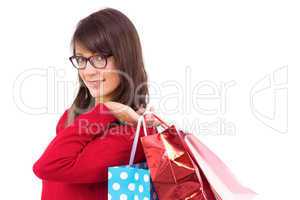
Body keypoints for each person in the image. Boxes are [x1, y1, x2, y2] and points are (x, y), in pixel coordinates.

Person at [32, 8, 160, 200]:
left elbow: (47, 166)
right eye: (81, 59)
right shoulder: (72, 116)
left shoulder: (130, 134)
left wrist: (106, 110)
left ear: (124, 58)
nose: (88, 71)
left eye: (99, 58)